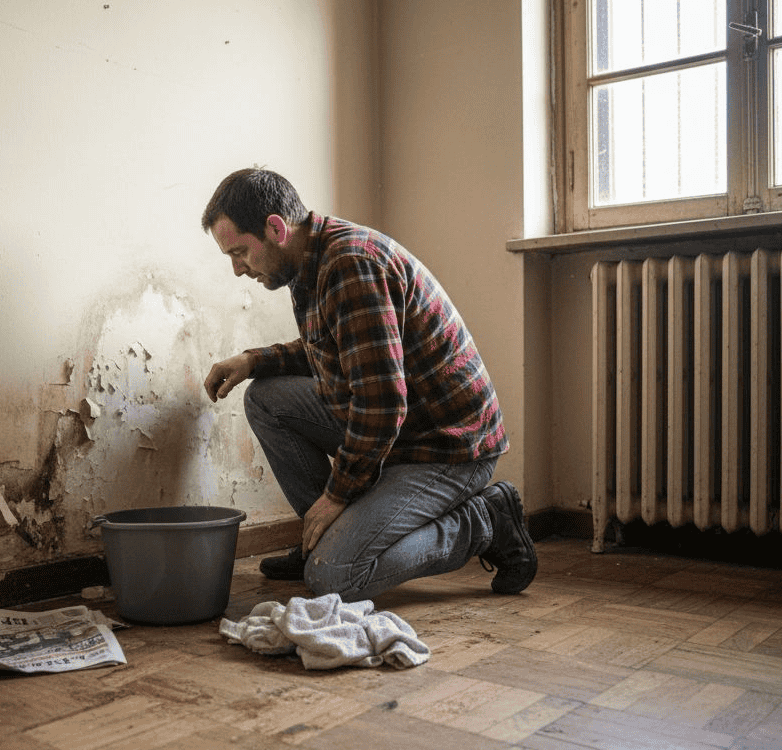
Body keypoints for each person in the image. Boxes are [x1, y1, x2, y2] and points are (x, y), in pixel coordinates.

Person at [200, 167, 537, 602]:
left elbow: (382, 406)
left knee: (335, 578)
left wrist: (339, 494)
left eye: (240, 253)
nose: (237, 269)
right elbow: (337, 350)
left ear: (275, 228)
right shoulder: (307, 262)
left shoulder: (350, 265)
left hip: (446, 447)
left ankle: (485, 521)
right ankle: (318, 540)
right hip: (399, 432)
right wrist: (252, 360)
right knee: (266, 397)